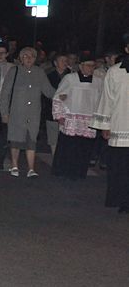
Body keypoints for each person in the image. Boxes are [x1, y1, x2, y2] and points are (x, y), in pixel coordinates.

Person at [0, 47, 56, 178]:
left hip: (33, 114)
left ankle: (31, 168)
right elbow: (5, 93)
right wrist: (4, 113)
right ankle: (15, 165)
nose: (29, 59)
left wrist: (63, 94)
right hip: (16, 112)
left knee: (31, 140)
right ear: (21, 58)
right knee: (15, 139)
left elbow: (48, 91)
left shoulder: (39, 72)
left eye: (32, 56)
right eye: (25, 56)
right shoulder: (14, 71)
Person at [90, 35, 129, 212]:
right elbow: (107, 99)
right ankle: (122, 201)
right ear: (126, 49)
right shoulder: (115, 72)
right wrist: (105, 125)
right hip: (120, 125)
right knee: (120, 167)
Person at [51, 56, 104, 179]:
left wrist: (100, 120)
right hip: (71, 118)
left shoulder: (98, 81)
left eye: (93, 66)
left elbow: (101, 100)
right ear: (81, 66)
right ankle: (63, 172)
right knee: (68, 146)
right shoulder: (70, 78)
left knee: (84, 148)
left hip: (89, 120)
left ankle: (79, 173)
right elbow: (59, 96)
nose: (90, 68)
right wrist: (59, 115)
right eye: (88, 65)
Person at [45, 54, 72, 156]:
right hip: (51, 110)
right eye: (62, 60)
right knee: (53, 136)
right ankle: (54, 156)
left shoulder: (72, 76)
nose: (65, 63)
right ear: (55, 63)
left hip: (68, 110)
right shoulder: (48, 76)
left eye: (66, 60)